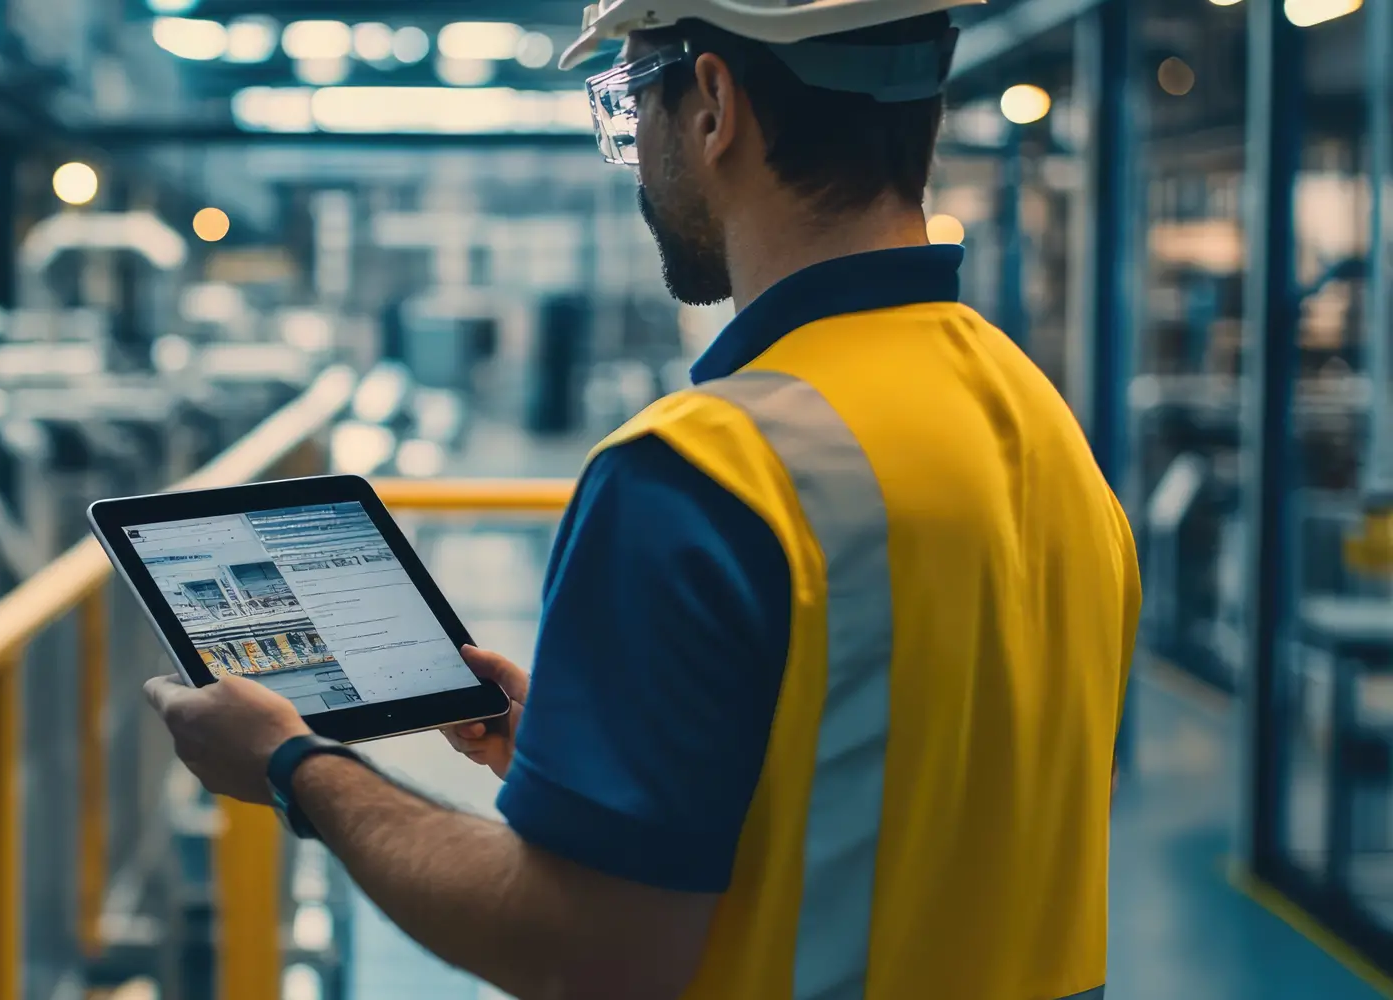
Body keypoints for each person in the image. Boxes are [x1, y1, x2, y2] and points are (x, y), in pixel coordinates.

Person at [144, 0, 1139, 997]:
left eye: (629, 104)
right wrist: (619, 759)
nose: (635, 155)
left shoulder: (700, 472)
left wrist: (294, 766)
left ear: (711, 104)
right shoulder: (1038, 425)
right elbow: (924, 783)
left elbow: (579, 949)